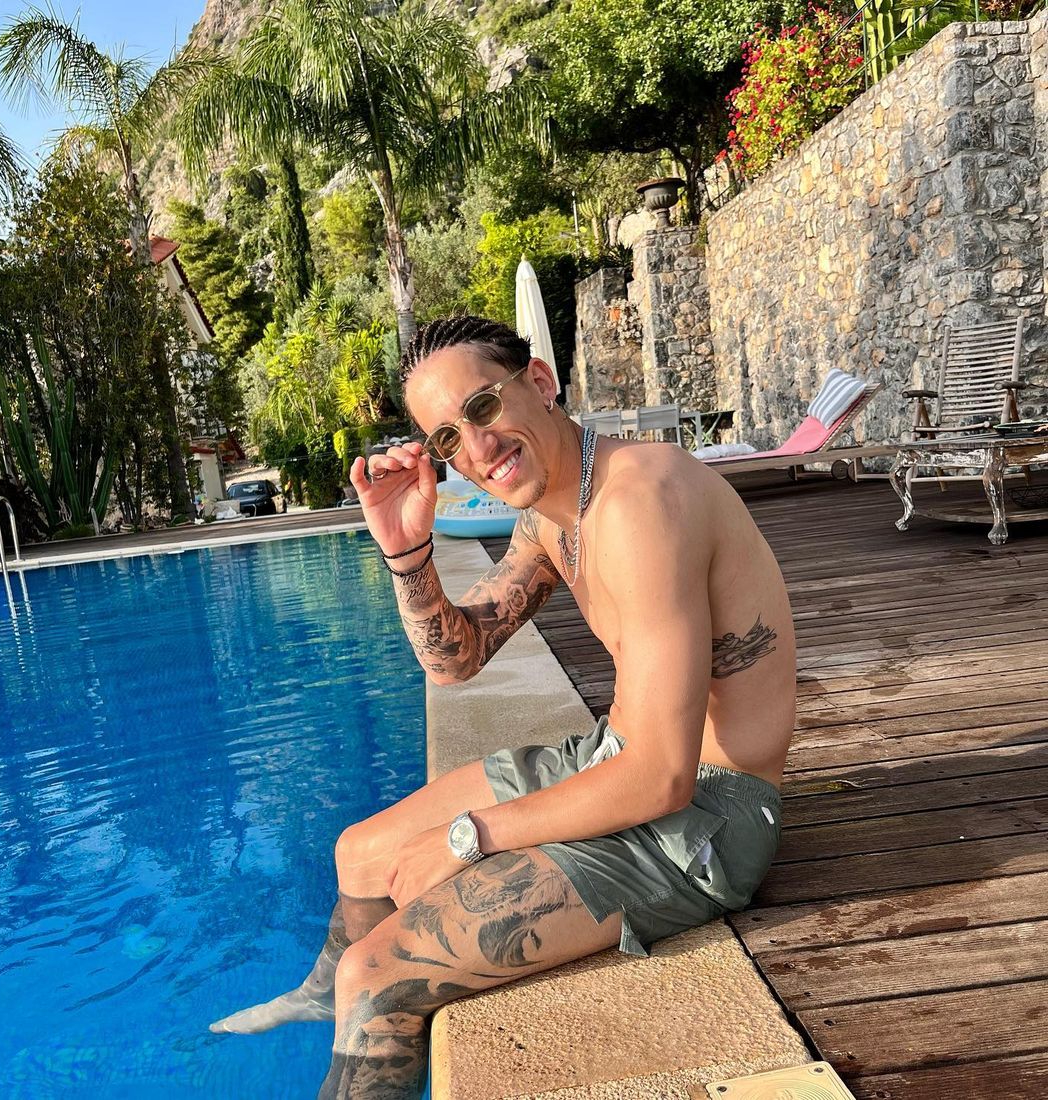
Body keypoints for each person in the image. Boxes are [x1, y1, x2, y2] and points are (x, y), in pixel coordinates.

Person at [209, 316, 796, 1099]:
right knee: (360, 854)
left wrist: (469, 838)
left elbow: (664, 778)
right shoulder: (555, 512)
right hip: (614, 759)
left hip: (706, 823)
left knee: (378, 978)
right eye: (448, 439)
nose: (477, 449)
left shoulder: (641, 503)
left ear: (541, 383)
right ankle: (320, 1001)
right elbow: (455, 660)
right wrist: (407, 553)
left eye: (483, 408)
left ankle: (350, 1002)